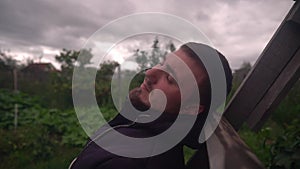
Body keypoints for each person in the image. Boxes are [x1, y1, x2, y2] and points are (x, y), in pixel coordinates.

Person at [69, 42, 233, 169]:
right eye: (162, 63)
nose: (149, 73)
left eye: (170, 79)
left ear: (191, 108)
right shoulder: (140, 125)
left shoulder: (127, 162)